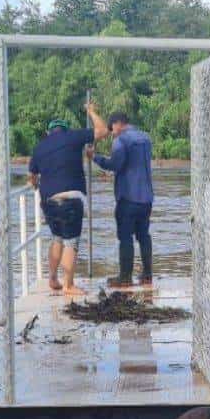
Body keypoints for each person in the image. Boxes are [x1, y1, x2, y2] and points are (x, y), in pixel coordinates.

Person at [28, 102, 108, 296]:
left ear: (48, 132)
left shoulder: (39, 147)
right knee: (71, 242)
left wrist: (38, 186)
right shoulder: (74, 136)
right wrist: (91, 111)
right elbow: (103, 130)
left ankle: (53, 278)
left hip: (48, 201)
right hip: (71, 199)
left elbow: (32, 178)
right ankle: (68, 285)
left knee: (57, 238)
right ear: (65, 130)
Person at [88, 111, 155, 287]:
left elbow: (114, 164)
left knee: (125, 237)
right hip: (146, 197)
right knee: (144, 235)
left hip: (128, 197)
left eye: (112, 129)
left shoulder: (121, 141)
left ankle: (125, 277)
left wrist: (95, 157)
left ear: (117, 124)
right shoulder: (145, 138)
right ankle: (147, 274)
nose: (112, 133)